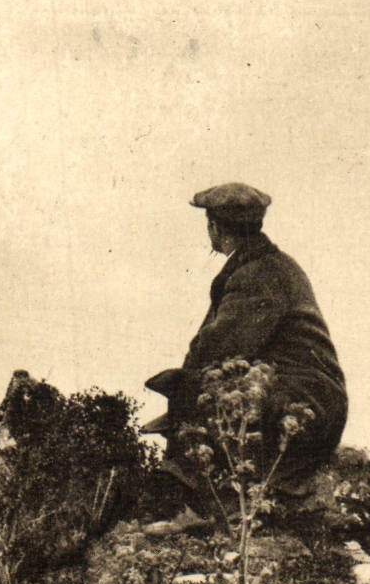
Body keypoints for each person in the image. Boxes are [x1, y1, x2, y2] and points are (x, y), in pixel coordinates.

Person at [142, 183, 347, 530]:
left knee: (204, 393)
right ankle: (204, 498)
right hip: (310, 397)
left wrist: (180, 388)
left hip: (306, 402)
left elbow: (219, 348)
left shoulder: (257, 273)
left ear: (214, 227)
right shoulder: (269, 265)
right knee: (204, 391)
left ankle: (193, 504)